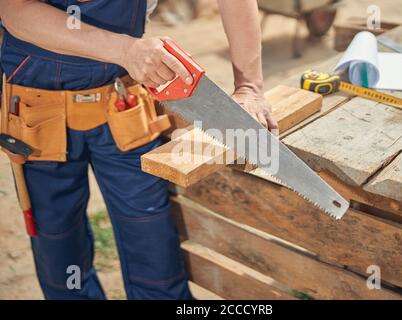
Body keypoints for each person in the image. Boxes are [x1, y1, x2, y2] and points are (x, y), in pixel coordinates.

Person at [0, 0, 277, 300]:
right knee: (60, 255)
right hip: (38, 114)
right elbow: (15, 10)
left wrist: (248, 86)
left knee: (155, 255)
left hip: (125, 105)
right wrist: (125, 50)